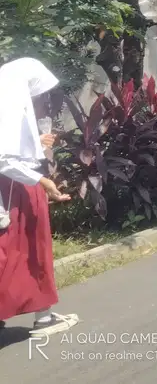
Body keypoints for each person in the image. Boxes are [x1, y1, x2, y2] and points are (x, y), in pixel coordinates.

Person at [0, 57, 79, 336]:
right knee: (31, 251)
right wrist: (43, 181)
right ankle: (43, 319)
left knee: (12, 253)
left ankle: (29, 314)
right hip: (18, 189)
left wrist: (37, 141)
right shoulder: (10, 106)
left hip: (15, 188)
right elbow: (5, 160)